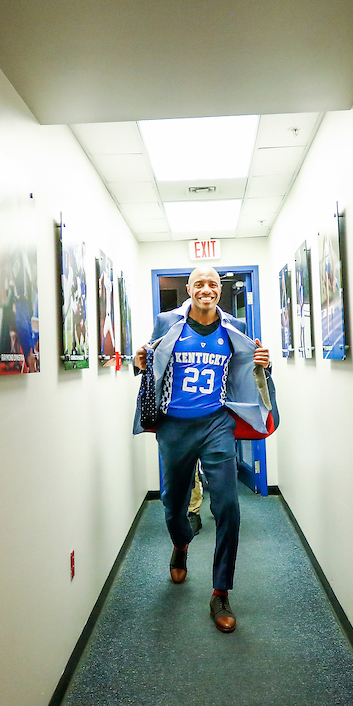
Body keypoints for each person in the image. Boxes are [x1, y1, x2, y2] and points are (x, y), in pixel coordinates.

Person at [133, 266, 275, 634]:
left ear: (219, 290)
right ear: (189, 289)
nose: (206, 289)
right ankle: (181, 542)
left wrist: (266, 364)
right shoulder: (167, 322)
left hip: (217, 423)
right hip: (175, 427)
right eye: (199, 284)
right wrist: (138, 361)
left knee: (227, 504)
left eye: (213, 284)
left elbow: (249, 366)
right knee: (173, 502)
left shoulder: (234, 328)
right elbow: (149, 361)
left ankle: (221, 591)